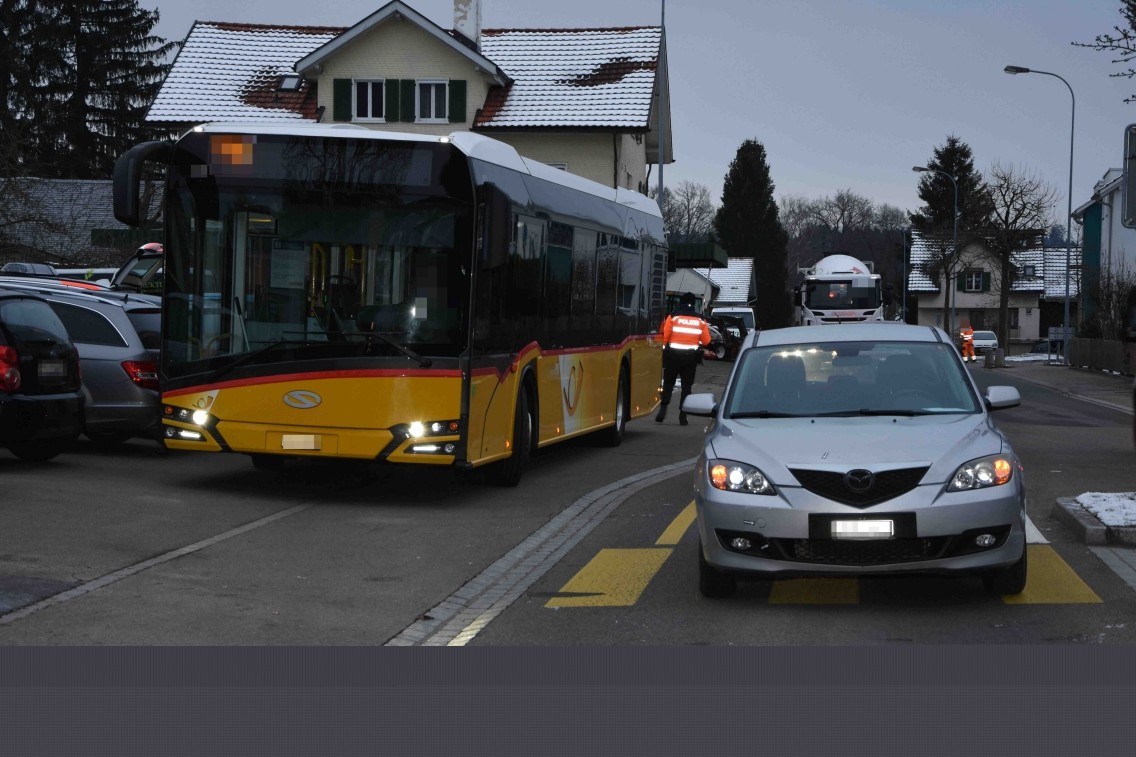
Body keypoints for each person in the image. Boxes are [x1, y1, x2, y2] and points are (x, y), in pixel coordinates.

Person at [657, 292, 712, 425]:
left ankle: (663, 409)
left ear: (680, 302)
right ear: (694, 304)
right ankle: (683, 415)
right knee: (686, 387)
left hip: (673, 356)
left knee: (668, 383)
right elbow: (706, 341)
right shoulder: (700, 320)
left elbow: (664, 337)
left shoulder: (673, 316)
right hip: (690, 358)